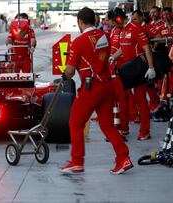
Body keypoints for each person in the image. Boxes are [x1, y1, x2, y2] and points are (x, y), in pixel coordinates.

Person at [59, 7, 132, 175]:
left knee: (75, 123)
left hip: (92, 87)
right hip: (108, 85)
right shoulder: (104, 36)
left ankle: (77, 161)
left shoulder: (79, 41)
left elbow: (69, 71)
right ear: (95, 20)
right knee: (107, 125)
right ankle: (123, 157)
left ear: (80, 22)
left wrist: (66, 74)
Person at [109, 8, 155, 141]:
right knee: (126, 97)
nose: (114, 25)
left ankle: (145, 131)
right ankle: (124, 128)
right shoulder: (122, 30)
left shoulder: (135, 27)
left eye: (114, 21)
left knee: (140, 100)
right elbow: (123, 48)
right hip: (128, 69)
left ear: (118, 18)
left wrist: (151, 68)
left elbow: (146, 47)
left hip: (139, 68)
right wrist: (113, 57)